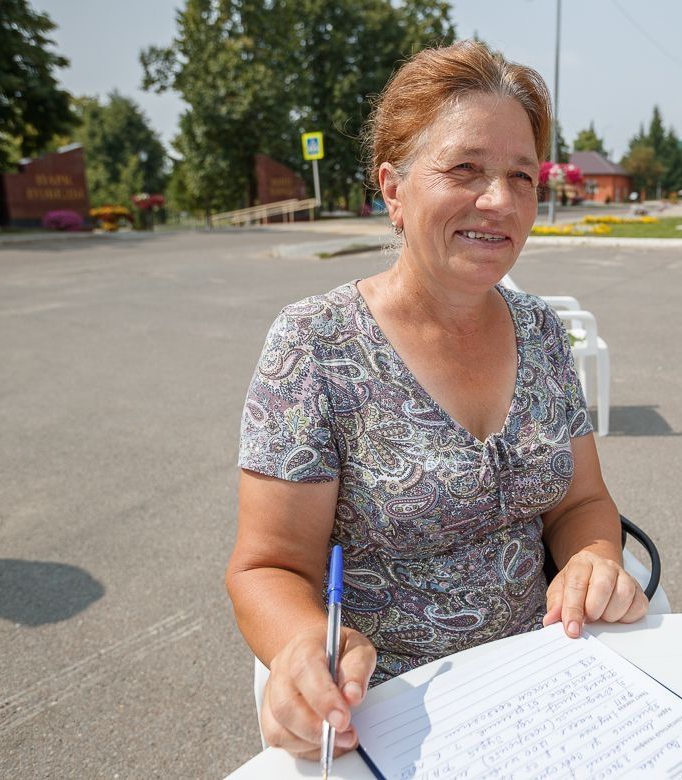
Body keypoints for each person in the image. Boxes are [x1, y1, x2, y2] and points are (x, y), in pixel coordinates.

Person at [226, 40, 649, 762]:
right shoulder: (316, 346)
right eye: (465, 169)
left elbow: (580, 502)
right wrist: (303, 651)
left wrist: (592, 558)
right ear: (392, 188)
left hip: (547, 682)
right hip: (389, 719)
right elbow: (267, 567)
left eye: (522, 176)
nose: (500, 201)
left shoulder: (541, 331)